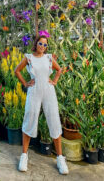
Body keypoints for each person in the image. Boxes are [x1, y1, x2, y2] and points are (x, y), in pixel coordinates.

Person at [14, 34, 69, 175]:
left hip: (48, 91)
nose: (43, 47)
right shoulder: (29, 58)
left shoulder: (49, 58)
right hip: (34, 91)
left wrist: (55, 81)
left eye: (45, 45)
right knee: (29, 118)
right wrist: (25, 83)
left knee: (54, 120)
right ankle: (24, 156)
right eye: (40, 44)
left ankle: (60, 158)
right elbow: (17, 71)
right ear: (36, 44)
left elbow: (59, 70)